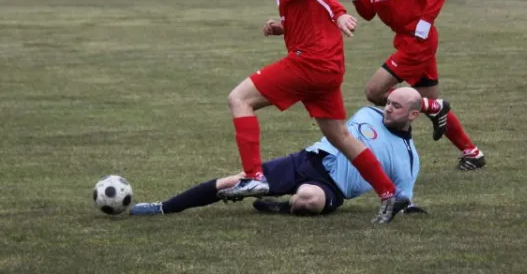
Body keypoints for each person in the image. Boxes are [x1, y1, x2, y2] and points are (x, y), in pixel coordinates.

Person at [216, 0, 407, 224]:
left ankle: (253, 176)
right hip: (328, 66)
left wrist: (340, 12)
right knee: (340, 136)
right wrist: (283, 27)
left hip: (310, 62)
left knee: (239, 99)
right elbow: (313, 3)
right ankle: (388, 193)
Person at [130, 88, 427, 218]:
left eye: (396, 106)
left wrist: (410, 209)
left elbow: (404, 197)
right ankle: (162, 207)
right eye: (388, 101)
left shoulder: (408, 156)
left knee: (309, 199)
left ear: (412, 116)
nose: (388, 107)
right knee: (235, 183)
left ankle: (284, 206)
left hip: (332, 188)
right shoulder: (368, 112)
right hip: (309, 159)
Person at [347, 0, 486, 171]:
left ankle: (433, 108)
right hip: (405, 39)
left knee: (374, 92)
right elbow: (368, 14)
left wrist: (425, 23)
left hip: (418, 41)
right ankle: (472, 152)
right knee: (431, 104)